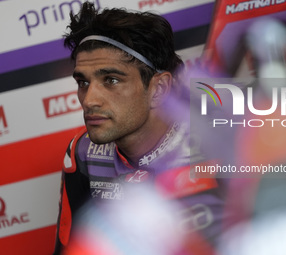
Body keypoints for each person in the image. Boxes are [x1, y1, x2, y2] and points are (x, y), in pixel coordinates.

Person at [54, 2, 228, 254]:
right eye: (83, 82)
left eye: (111, 80)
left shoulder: (219, 144)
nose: (89, 100)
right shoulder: (83, 153)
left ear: (158, 89)